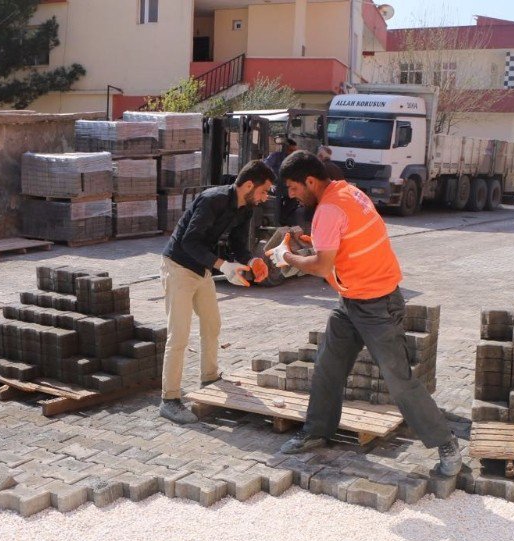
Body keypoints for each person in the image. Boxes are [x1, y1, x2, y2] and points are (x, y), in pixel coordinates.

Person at [267, 150, 463, 476]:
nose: (291, 195)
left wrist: (287, 257)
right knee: (328, 366)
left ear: (311, 181)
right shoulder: (347, 191)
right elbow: (341, 239)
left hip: (377, 307)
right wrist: (311, 240)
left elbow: (321, 265)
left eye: (293, 187)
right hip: (353, 300)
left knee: (398, 381)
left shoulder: (328, 209)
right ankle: (317, 432)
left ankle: (446, 443)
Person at [159, 160, 276, 424]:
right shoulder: (212, 200)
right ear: (248, 185)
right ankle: (170, 399)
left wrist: (251, 261)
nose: (265, 197)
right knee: (179, 335)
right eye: (263, 190)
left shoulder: (245, 208)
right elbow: (189, 241)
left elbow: (238, 245)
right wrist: (223, 265)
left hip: (203, 269)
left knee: (212, 324)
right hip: (178, 267)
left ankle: (209, 378)